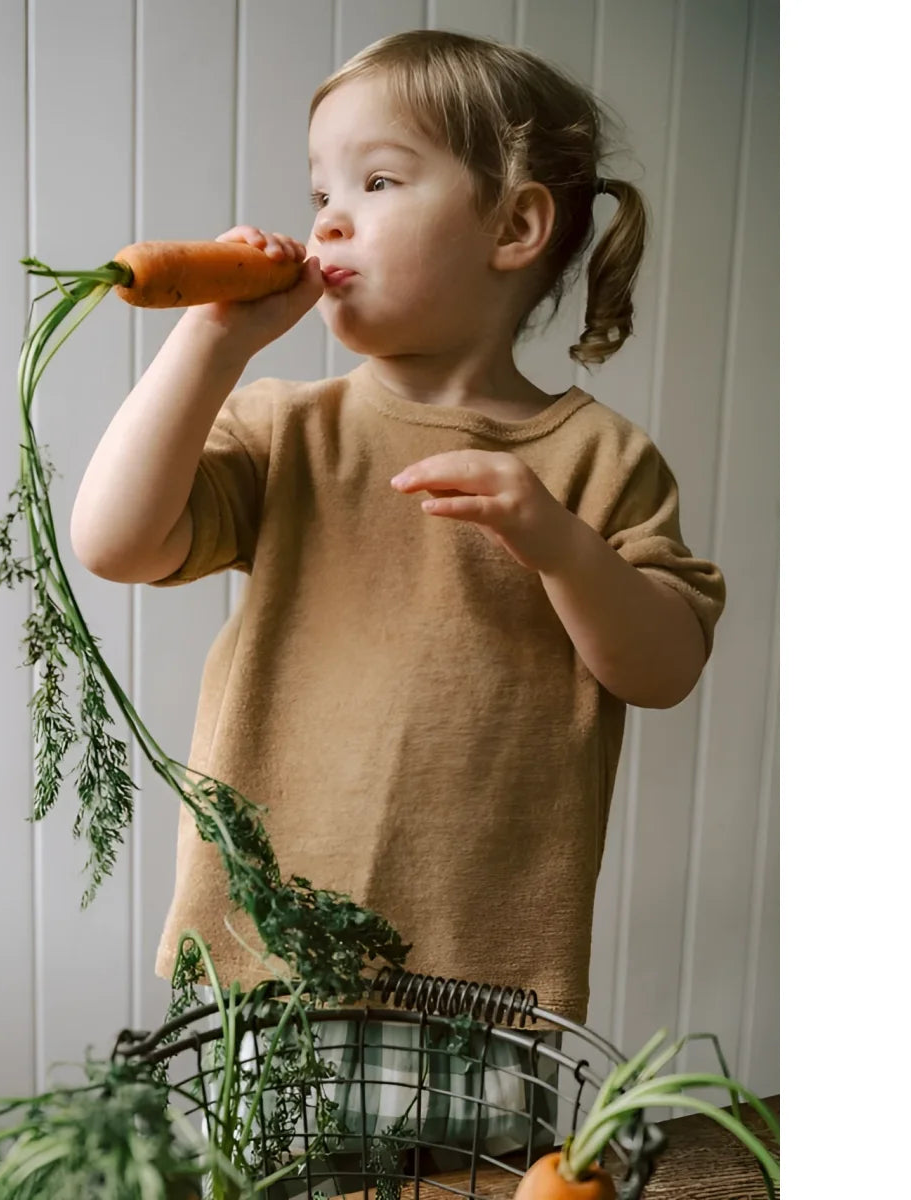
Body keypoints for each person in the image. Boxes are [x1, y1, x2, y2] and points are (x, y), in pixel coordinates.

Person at [72, 27, 725, 1196]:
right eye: (319, 190)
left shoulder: (597, 462)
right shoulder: (288, 429)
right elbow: (115, 541)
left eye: (375, 184)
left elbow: (662, 664)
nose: (326, 219)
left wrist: (558, 544)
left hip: (478, 981)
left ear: (515, 228)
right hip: (277, 964)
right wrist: (209, 342)